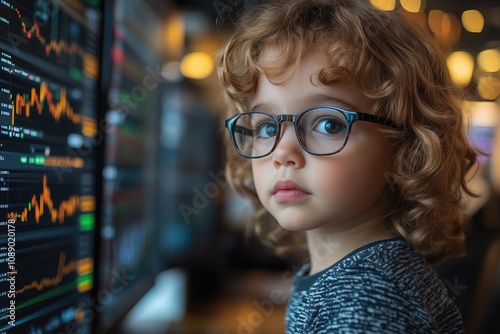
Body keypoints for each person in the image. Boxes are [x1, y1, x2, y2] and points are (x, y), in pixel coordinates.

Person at [217, 0, 478, 332]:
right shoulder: (359, 274)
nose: (282, 153)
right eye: (267, 128)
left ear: (408, 149)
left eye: (328, 124)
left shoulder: (367, 300)